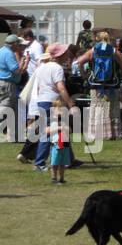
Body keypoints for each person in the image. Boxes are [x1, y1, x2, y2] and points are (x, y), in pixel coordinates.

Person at [75, 32, 122, 141]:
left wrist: (84, 75)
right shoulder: (114, 52)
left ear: (98, 40)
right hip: (112, 85)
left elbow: (79, 62)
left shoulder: (93, 51)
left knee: (97, 109)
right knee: (112, 110)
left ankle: (96, 134)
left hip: (96, 85)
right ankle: (112, 134)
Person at [31, 44, 76, 172]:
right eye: (65, 53)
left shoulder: (43, 66)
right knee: (50, 132)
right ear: (60, 55)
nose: (67, 55)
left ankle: (70, 159)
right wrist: (70, 103)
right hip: (52, 102)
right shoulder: (57, 68)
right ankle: (39, 163)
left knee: (59, 130)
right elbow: (60, 87)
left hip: (42, 100)